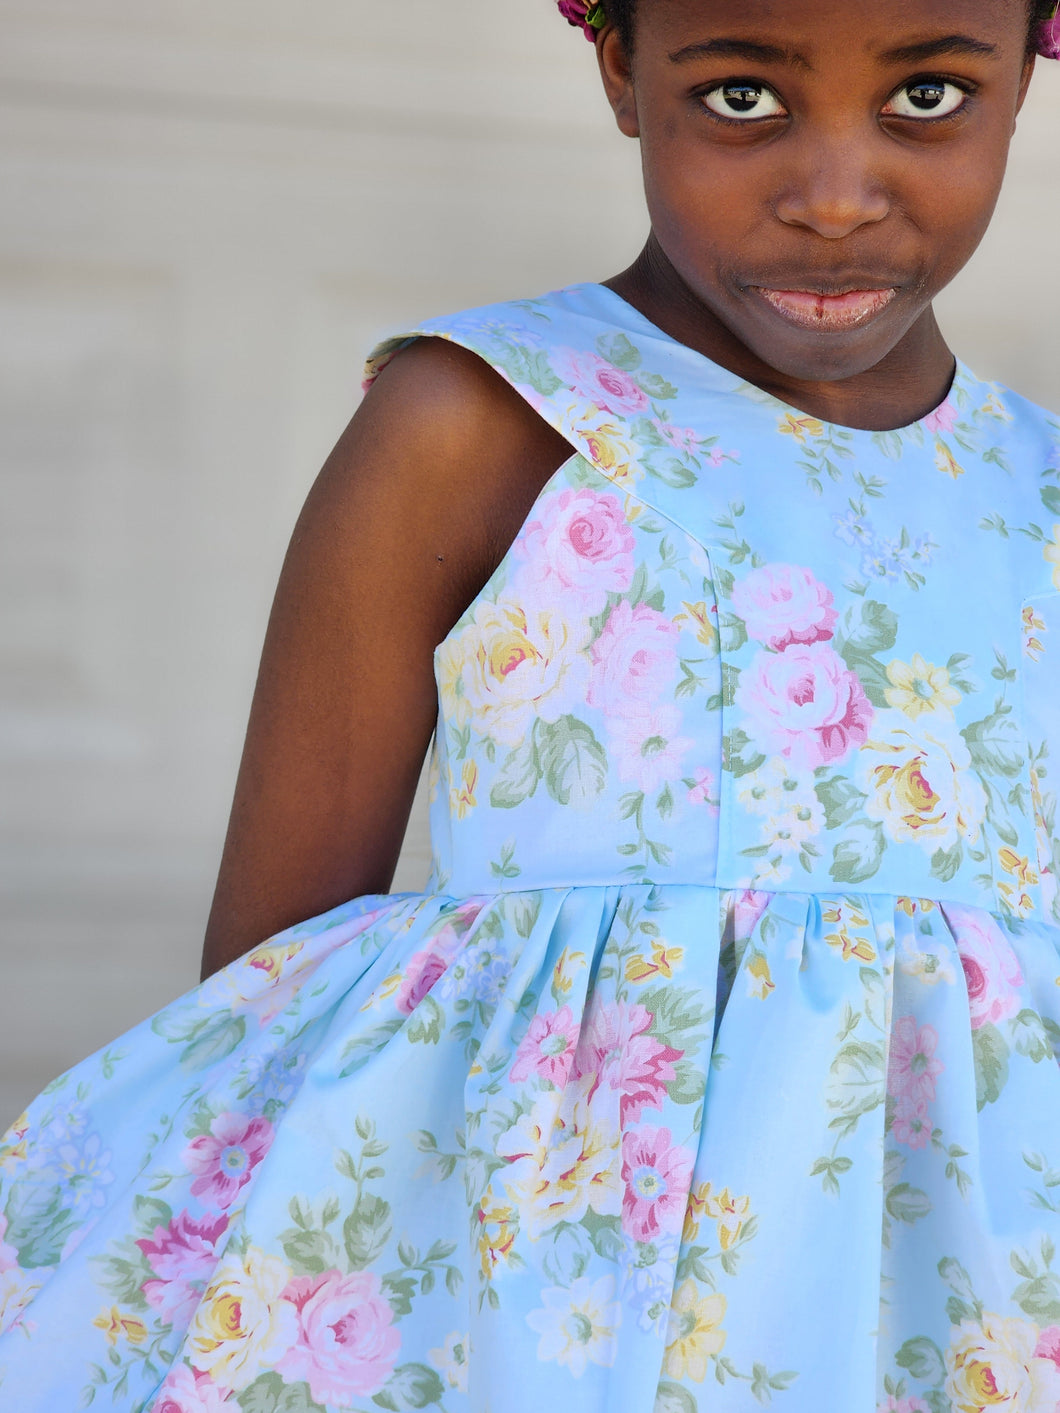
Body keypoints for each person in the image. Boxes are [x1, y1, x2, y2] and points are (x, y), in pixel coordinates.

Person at [3, 0, 1060, 1407]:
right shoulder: (479, 425)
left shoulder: (1039, 494)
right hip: (540, 1330)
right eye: (744, 96)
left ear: (1029, 72)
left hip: (956, 1328)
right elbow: (260, 1016)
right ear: (624, 66)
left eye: (927, 95)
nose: (834, 195)